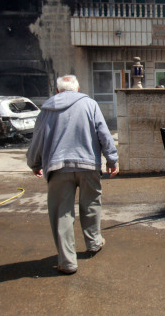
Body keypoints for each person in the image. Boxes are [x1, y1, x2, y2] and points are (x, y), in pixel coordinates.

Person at [27, 75, 119, 275]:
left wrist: (34, 163)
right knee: (91, 204)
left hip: (58, 168)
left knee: (62, 214)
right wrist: (112, 160)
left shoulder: (46, 109)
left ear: (58, 91)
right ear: (77, 89)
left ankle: (68, 262)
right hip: (88, 165)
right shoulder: (89, 104)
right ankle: (94, 243)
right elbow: (104, 134)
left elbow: (37, 139)